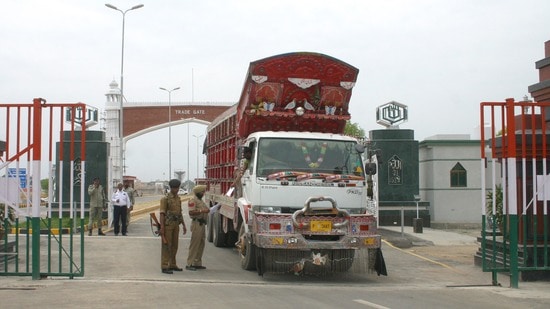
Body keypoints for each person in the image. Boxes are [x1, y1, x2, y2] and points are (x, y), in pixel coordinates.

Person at [159, 179, 187, 274]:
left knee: (175, 245)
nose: (176, 190)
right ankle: (164, 265)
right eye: (175, 188)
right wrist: (162, 227)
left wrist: (183, 224)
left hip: (176, 224)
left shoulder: (178, 199)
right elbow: (162, 213)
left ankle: (172, 264)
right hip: (168, 225)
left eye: (178, 188)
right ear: (171, 188)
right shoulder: (165, 199)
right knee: (167, 245)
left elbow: (180, 213)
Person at [186, 185, 209, 271]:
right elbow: (191, 212)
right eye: (202, 192)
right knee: (194, 244)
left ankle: (197, 263)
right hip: (196, 224)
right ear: (198, 192)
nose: (203, 194)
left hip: (202, 224)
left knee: (201, 244)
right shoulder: (193, 200)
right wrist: (202, 211)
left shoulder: (200, 200)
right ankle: (189, 263)